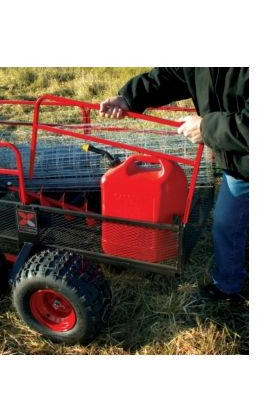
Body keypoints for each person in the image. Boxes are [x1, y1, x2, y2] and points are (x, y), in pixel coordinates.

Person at [99, 68, 249, 302]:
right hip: (238, 161)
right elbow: (170, 76)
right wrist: (129, 98)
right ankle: (230, 282)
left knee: (227, 225)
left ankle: (229, 286)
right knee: (228, 223)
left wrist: (206, 128)